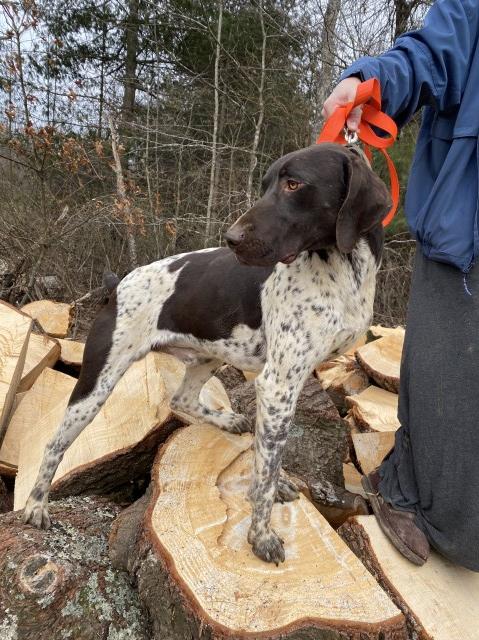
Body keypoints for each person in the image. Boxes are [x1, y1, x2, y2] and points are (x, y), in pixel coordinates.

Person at [322, 0, 479, 571]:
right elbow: (434, 52)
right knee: (446, 386)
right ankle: (405, 492)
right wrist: (371, 82)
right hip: (467, 233)